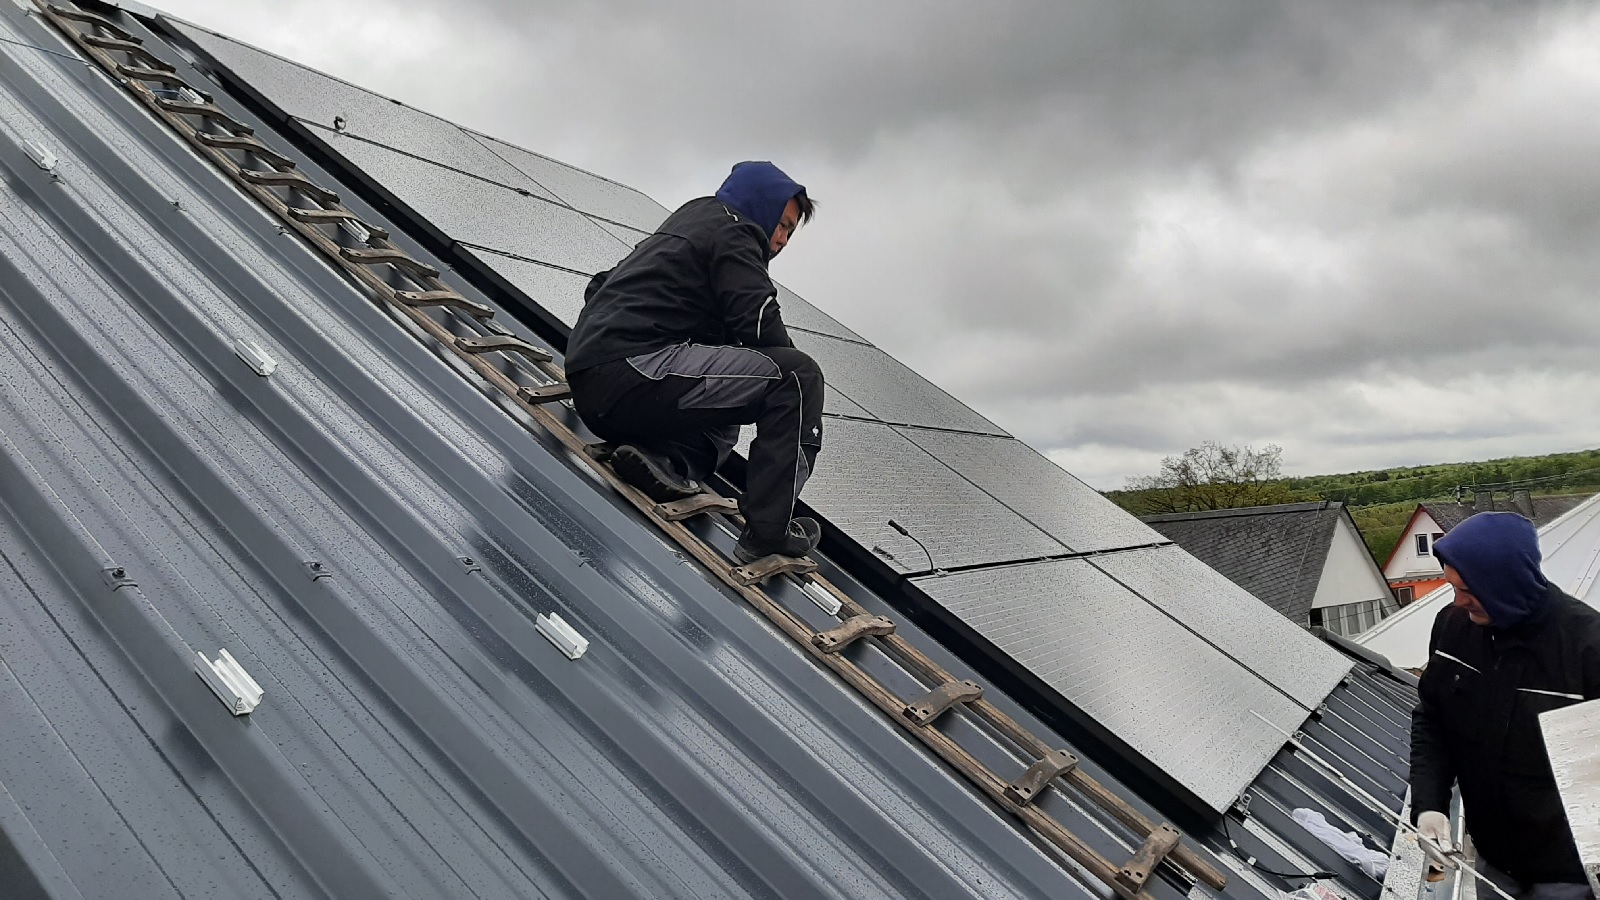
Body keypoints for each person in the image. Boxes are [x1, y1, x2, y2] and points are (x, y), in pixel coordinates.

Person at [565, 161, 825, 562]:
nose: (784, 239)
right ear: (762, 205)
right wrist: (785, 370)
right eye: (784, 224)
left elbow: (600, 284)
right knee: (797, 377)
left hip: (593, 381)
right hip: (633, 371)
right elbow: (757, 320)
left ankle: (662, 460)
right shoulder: (736, 230)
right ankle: (769, 531)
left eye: (791, 231)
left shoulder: (692, 219)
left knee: (728, 400)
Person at [1409, 511, 1600, 899]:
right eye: (1454, 588)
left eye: (1468, 590)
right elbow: (1432, 721)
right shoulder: (1452, 629)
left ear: (1503, 585)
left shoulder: (1588, 647)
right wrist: (1429, 805)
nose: (1458, 601)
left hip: (1567, 872)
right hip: (1493, 863)